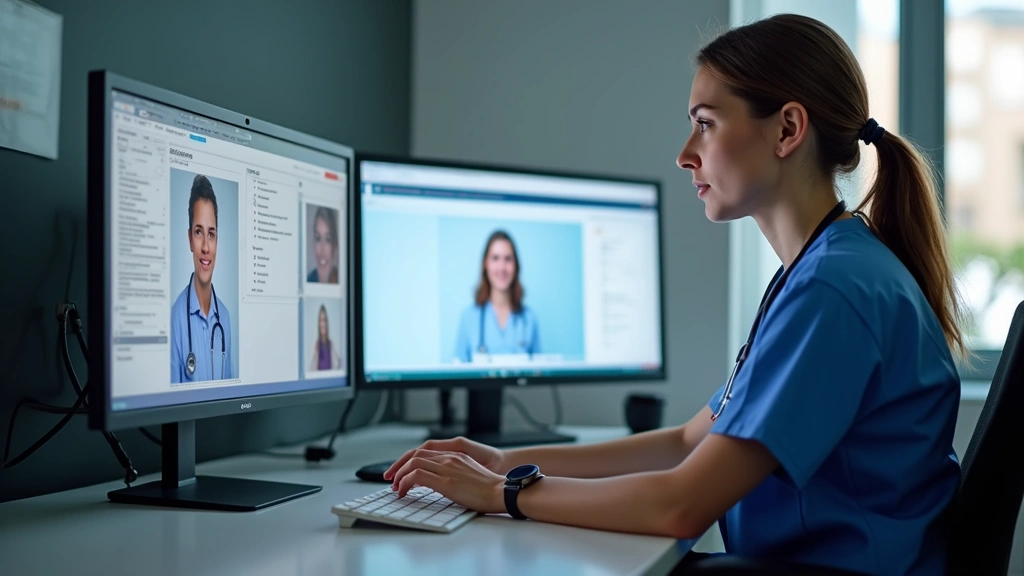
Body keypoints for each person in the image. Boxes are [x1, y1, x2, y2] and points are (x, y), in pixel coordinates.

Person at [385, 14, 964, 575]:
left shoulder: (833, 290)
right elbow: (690, 441)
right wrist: (505, 461)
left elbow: (680, 504)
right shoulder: (823, 268)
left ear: (788, 129)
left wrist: (504, 493)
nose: (686, 153)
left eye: (706, 123)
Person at [171, 174, 234, 383]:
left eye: (211, 234)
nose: (206, 247)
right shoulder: (175, 319)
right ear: (190, 239)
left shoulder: (225, 317)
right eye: (199, 232)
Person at [453, 230, 540, 363]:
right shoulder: (468, 317)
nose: (502, 267)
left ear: (515, 265)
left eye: (508, 259)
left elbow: (539, 375)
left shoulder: (529, 318)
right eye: (495, 258)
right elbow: (457, 374)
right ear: (485, 264)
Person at [307, 206, 339, 284]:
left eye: (328, 239)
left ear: (335, 244)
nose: (322, 250)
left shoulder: (343, 280)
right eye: (318, 238)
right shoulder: (309, 279)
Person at [310, 304, 342, 371]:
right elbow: (311, 369)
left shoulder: (331, 344)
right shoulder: (317, 344)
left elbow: (337, 364)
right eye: (320, 320)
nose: (322, 324)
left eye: (324, 320)